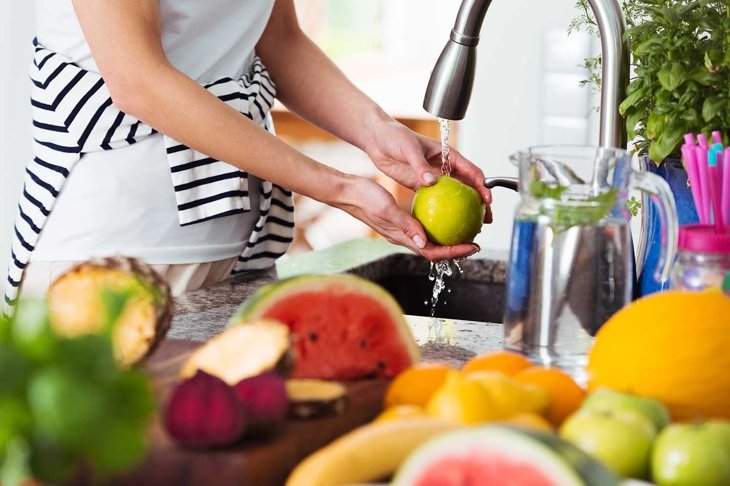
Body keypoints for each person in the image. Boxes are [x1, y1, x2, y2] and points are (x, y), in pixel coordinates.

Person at [4, 0, 492, 314]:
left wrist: (379, 132)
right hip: (114, 257)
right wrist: (338, 188)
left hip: (240, 255)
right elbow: (139, 81)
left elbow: (280, 40)